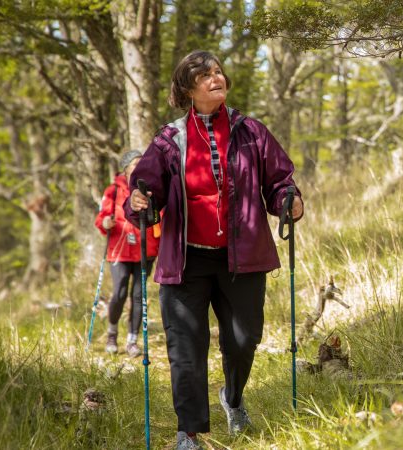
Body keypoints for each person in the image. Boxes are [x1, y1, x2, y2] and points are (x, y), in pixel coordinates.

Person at [124, 50, 303, 449]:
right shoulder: (170, 140)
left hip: (242, 256)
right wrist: (140, 201)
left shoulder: (250, 131)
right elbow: (144, 187)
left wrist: (289, 199)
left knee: (243, 340)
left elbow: (279, 180)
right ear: (188, 89)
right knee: (185, 348)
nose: (215, 79)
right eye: (205, 76)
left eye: (219, 72)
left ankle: (233, 399)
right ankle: (188, 433)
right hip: (186, 260)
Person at [94, 150, 160, 357]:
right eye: (134, 165)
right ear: (126, 169)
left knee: (139, 296)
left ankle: (132, 340)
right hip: (120, 251)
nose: (139, 168)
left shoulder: (152, 187)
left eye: (142, 164)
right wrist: (105, 223)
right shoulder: (113, 191)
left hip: (146, 249)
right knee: (120, 292)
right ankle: (112, 334)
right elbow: (102, 218)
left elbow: (161, 215)